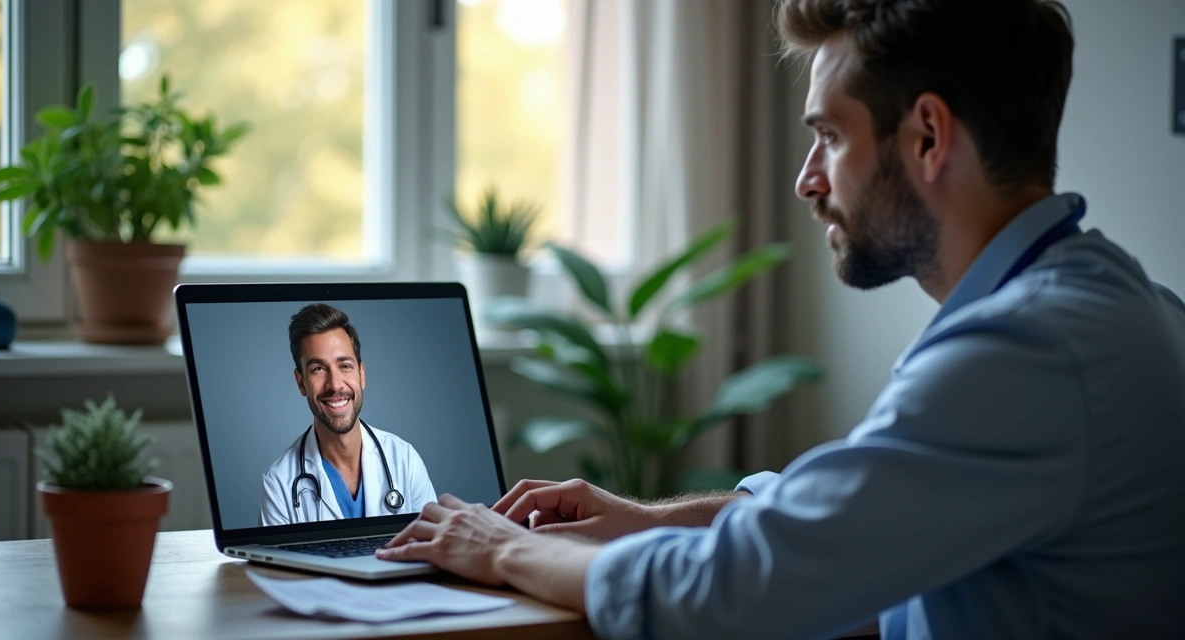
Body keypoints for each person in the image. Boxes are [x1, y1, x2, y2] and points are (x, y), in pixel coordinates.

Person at [376, 0, 1185, 638]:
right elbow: (854, 519)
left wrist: (505, 548)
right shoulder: (1114, 309)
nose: (807, 180)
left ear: (928, 136)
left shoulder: (1026, 354)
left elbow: (727, 596)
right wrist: (636, 520)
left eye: (829, 135)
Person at [260, 303, 437, 525]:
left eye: (344, 366)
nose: (335, 385)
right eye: (318, 369)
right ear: (301, 383)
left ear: (361, 374)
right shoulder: (278, 484)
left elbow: (435, 543)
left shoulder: (405, 461)